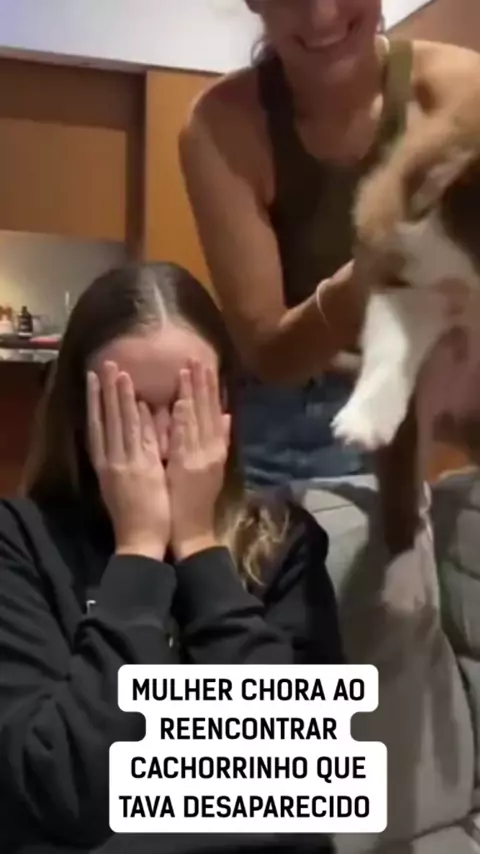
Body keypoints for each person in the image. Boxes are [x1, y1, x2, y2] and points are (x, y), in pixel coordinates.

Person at [0, 262, 341, 854]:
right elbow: (67, 791)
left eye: (185, 407)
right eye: (130, 409)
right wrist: (138, 551)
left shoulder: (285, 542)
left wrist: (198, 545)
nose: (160, 442)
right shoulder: (18, 542)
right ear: (79, 413)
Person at [179, 0, 480, 490]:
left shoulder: (462, 87)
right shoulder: (220, 126)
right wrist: (373, 270)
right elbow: (269, 354)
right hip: (290, 428)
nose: (322, 16)